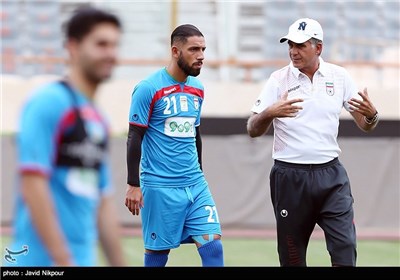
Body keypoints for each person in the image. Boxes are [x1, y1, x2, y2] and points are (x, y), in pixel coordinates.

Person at [246, 18, 379, 267]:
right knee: (292, 257)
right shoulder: (278, 80)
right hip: (289, 176)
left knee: (345, 249)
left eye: (300, 45)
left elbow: (365, 124)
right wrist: (269, 113)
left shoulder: (339, 76)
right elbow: (253, 128)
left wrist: (372, 115)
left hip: (331, 176)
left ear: (318, 48)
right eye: (290, 45)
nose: (293, 51)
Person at [5, 7, 126, 266]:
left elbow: (103, 202)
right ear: (73, 47)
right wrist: (63, 261)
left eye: (115, 45)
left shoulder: (99, 120)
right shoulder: (48, 102)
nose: (111, 54)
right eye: (101, 44)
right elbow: (33, 184)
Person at [125, 24, 224, 267]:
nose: (201, 55)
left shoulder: (198, 89)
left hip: (195, 185)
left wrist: (199, 172)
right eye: (194, 49)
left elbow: (194, 133)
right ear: (175, 51)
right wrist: (133, 185)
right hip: (159, 187)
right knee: (157, 256)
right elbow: (134, 137)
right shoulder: (148, 88)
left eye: (203, 49)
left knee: (213, 246)